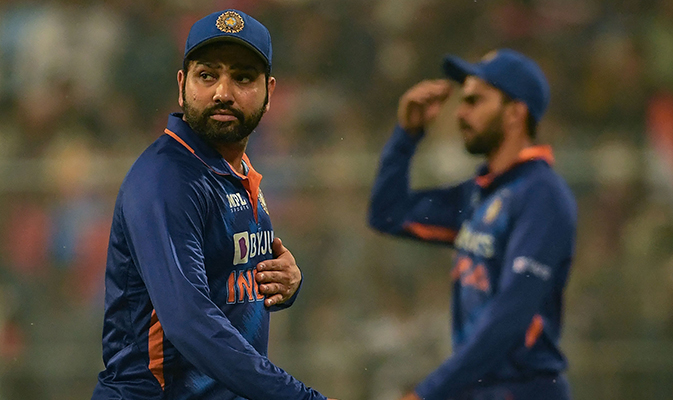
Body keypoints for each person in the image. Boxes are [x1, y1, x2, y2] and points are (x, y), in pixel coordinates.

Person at [92, 9, 337, 400]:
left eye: (242, 77)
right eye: (207, 75)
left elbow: (228, 282)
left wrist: (286, 283)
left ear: (269, 91)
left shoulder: (232, 170)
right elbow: (190, 323)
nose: (223, 92)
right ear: (182, 84)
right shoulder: (167, 179)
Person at [368, 49, 577, 400]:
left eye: (475, 101)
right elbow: (387, 214)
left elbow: (511, 315)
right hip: (480, 390)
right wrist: (407, 135)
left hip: (525, 389)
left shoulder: (541, 195)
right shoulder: (479, 194)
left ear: (515, 112)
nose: (461, 113)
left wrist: (429, 392)